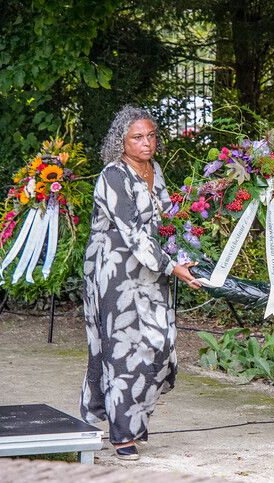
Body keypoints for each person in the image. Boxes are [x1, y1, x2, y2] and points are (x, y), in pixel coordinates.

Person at [80, 105, 201, 460]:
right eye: (138, 137)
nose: (147, 143)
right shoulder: (112, 176)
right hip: (115, 270)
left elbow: (168, 219)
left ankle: (131, 418)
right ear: (122, 142)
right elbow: (132, 232)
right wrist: (172, 266)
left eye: (151, 136)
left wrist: (194, 239)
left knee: (159, 340)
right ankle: (122, 434)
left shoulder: (154, 170)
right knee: (123, 347)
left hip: (151, 268)